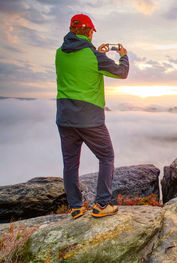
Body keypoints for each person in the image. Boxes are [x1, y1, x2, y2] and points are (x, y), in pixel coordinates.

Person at [55, 14, 129, 219]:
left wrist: (96, 52)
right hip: (90, 119)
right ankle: (102, 204)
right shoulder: (94, 57)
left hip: (64, 117)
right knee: (106, 157)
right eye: (91, 31)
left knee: (70, 163)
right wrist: (123, 55)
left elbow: (78, 67)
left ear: (71, 29)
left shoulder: (59, 53)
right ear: (89, 32)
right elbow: (121, 72)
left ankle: (76, 207)